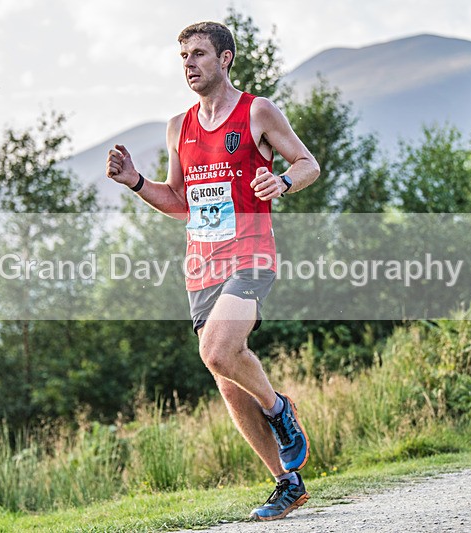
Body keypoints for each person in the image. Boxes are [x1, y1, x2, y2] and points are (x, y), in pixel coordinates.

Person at [106, 21, 320, 521]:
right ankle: (286, 483)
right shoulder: (178, 127)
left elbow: (308, 163)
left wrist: (283, 183)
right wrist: (136, 181)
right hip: (202, 264)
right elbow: (180, 201)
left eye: (199, 54)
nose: (189, 64)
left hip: (251, 254)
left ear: (224, 60)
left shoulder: (257, 111)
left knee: (219, 349)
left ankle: (279, 410)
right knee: (226, 375)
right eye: (183, 56)